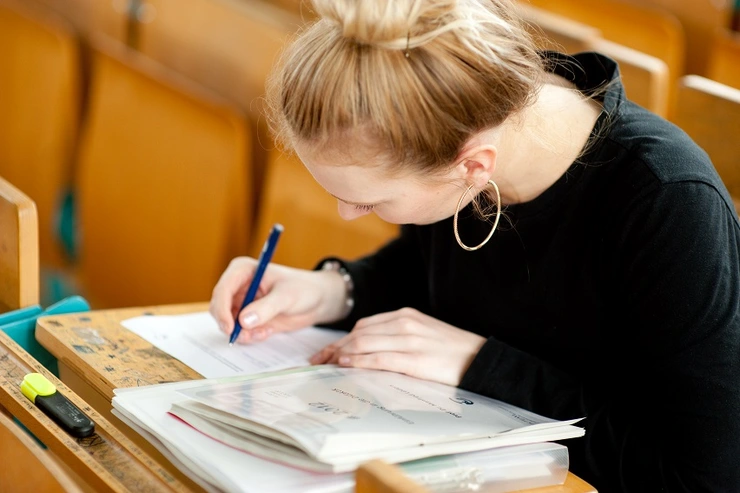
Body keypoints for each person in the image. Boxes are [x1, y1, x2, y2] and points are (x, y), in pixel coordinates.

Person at [209, 0, 740, 491]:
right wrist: (335, 289)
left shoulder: (667, 202)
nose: (347, 213)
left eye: (369, 201)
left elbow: (706, 475)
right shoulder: (461, 124)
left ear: (473, 166)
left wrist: (480, 364)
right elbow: (434, 270)